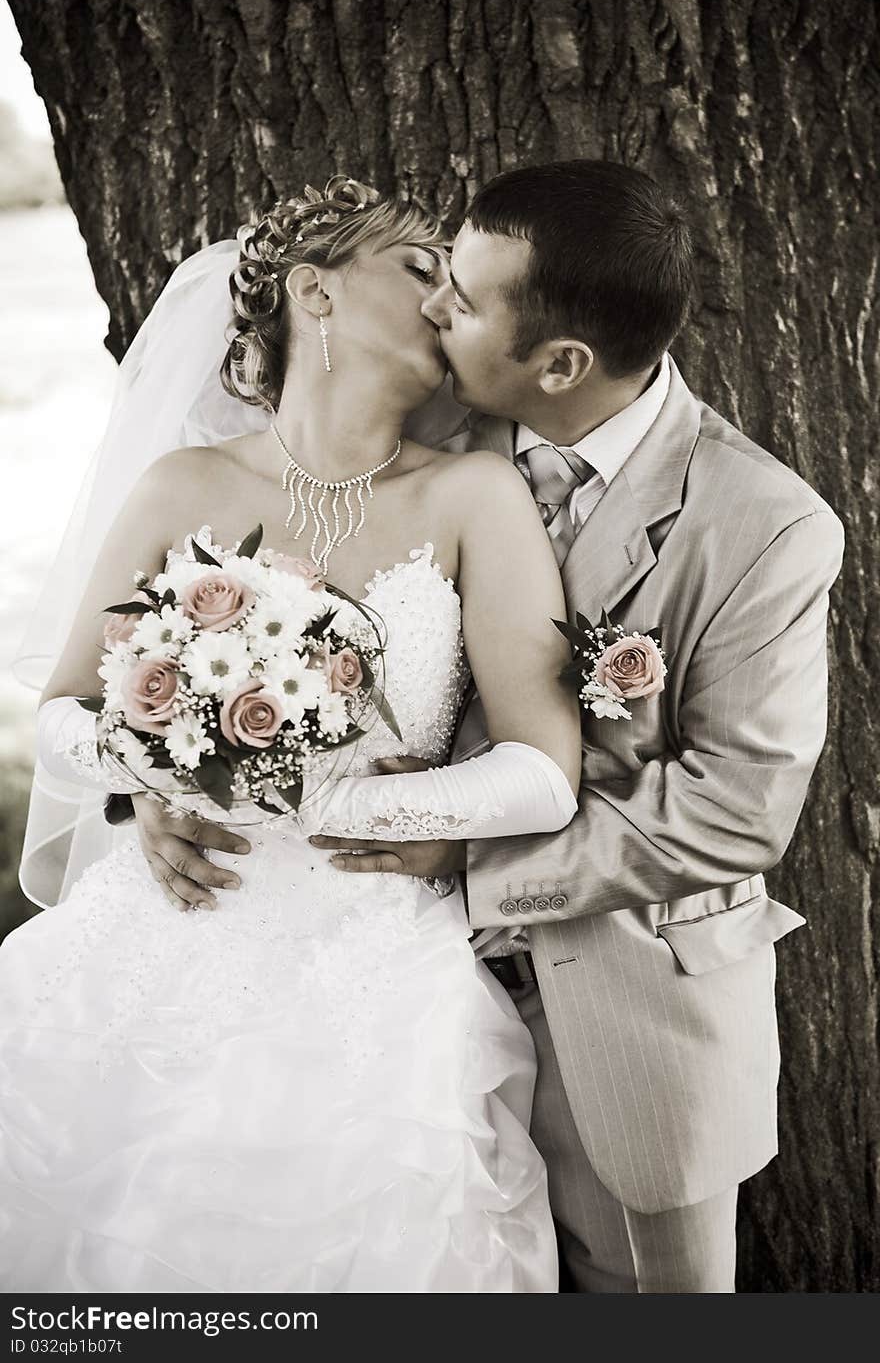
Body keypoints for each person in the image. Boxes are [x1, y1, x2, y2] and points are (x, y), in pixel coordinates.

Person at [177, 159, 840, 1293]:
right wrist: (169, 776)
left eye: (467, 299)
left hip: (633, 1030)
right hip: (375, 1011)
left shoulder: (765, 527)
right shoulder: (421, 425)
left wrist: (471, 867)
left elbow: (736, 810)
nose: (436, 308)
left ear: (560, 363)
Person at [0, 177, 583, 1292]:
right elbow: (70, 710)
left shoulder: (473, 495)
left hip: (371, 970)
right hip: (160, 933)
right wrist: (151, 778)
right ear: (313, 293)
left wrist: (336, 804)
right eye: (418, 266)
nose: (446, 294)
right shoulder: (183, 485)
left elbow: (540, 775)